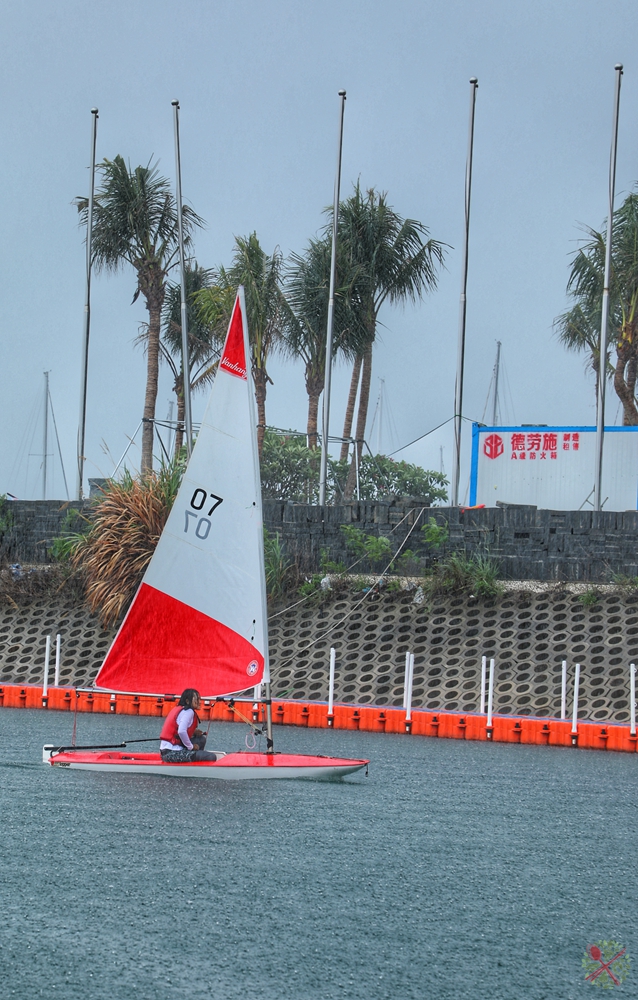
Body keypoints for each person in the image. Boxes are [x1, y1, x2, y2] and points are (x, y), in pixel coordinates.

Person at [159, 688, 217, 763]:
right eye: (197, 699)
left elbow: (179, 729)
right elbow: (181, 731)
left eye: (199, 699)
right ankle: (194, 763)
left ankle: (194, 758)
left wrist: (193, 732)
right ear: (187, 701)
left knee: (201, 739)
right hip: (172, 753)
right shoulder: (189, 712)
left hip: (165, 751)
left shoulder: (180, 709)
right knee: (211, 757)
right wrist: (191, 747)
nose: (200, 702)